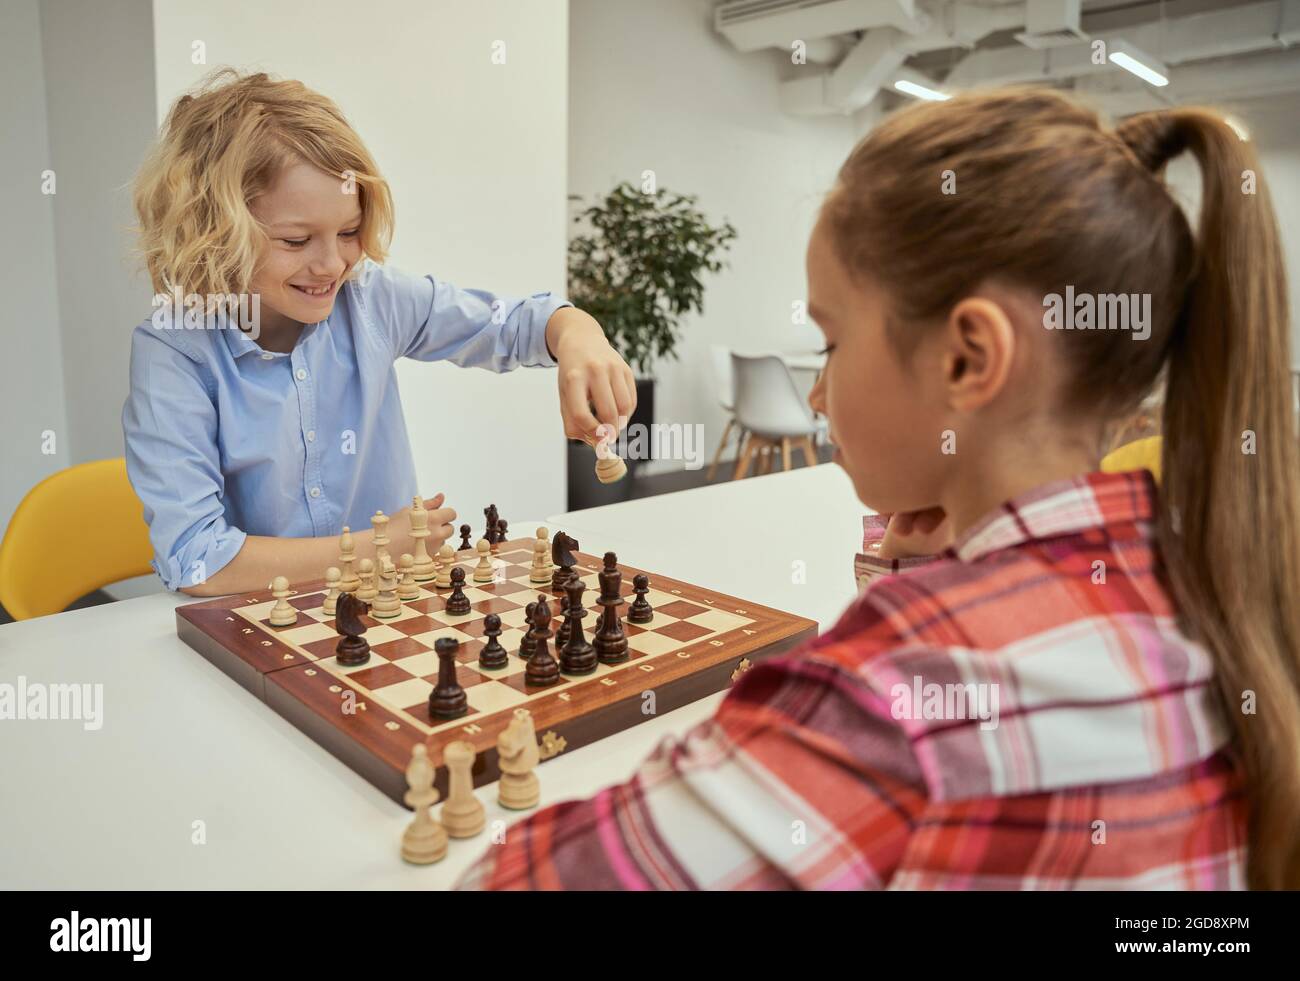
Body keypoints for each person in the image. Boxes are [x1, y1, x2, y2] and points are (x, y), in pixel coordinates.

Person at [457, 87, 1300, 890]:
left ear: (969, 358)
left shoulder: (894, 691)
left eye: (829, 341)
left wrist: (896, 627)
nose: (818, 393)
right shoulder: (1216, 572)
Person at [123, 69, 634, 595]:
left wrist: (577, 335)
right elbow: (198, 560)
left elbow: (519, 325)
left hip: (387, 616)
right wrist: (382, 545)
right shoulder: (174, 352)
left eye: (348, 232)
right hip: (250, 631)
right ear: (211, 233)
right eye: (296, 241)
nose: (331, 264)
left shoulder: (371, 299)